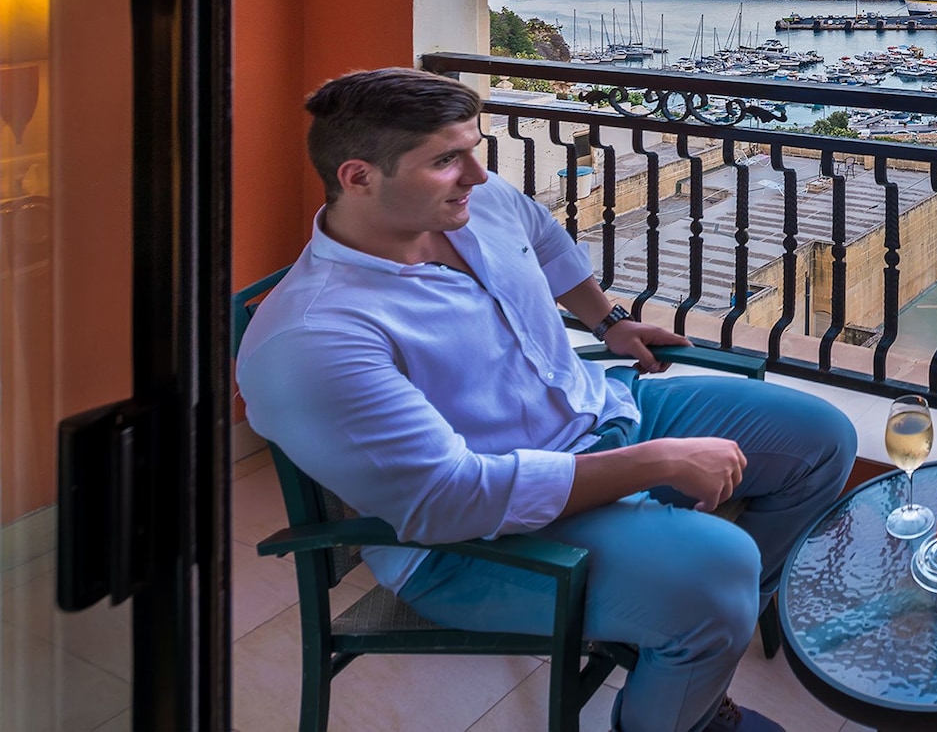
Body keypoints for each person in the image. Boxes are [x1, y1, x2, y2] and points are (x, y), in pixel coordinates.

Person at [237, 68, 857, 732]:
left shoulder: (471, 203)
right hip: (474, 539)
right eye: (447, 160)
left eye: (473, 149)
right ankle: (688, 683)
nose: (477, 174)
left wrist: (608, 320)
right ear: (358, 177)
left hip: (595, 412)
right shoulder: (314, 339)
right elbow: (451, 500)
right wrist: (655, 463)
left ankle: (694, 650)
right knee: (718, 571)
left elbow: (543, 237)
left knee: (822, 439)